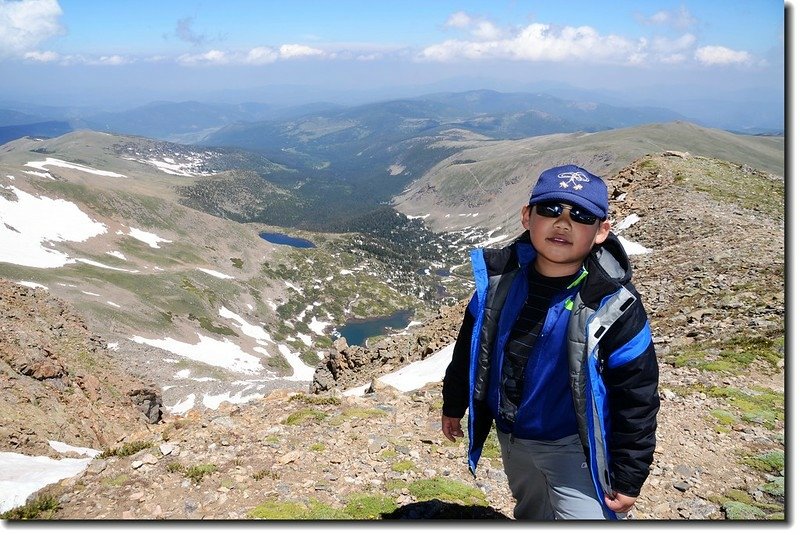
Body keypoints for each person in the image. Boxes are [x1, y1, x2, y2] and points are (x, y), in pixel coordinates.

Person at [441, 164, 659, 520]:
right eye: (551, 210)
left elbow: (638, 395)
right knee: (532, 511)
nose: (563, 223)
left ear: (602, 231)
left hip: (575, 444)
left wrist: (630, 474)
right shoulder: (495, 287)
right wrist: (454, 404)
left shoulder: (616, 307)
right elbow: (470, 347)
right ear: (528, 217)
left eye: (582, 215)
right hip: (512, 437)